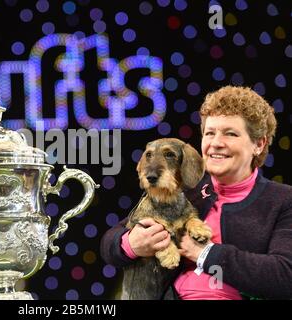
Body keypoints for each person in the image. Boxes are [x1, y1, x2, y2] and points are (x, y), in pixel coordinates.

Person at [100, 85, 292, 299]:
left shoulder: (283, 200)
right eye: (210, 133)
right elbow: (109, 243)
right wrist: (132, 244)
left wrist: (204, 253)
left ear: (258, 143)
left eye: (230, 133)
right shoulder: (184, 192)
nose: (216, 143)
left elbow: (285, 275)